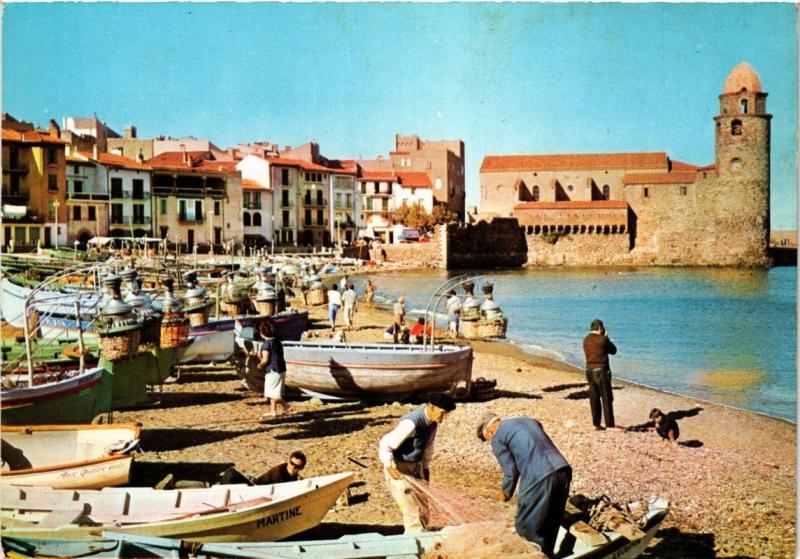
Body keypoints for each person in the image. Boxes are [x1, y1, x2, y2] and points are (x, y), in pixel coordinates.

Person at [475, 412, 572, 558]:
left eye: (487, 438)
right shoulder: (527, 420)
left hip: (539, 477)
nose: (490, 441)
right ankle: (547, 554)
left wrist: (505, 494)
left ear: (488, 431)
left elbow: (510, 471)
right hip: (563, 470)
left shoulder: (497, 437)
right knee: (551, 522)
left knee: (526, 527)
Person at [379, 395, 457, 533]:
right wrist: (388, 465)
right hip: (398, 468)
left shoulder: (433, 423)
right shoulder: (412, 423)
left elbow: (427, 448)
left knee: (422, 506)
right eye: (443, 413)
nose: (444, 418)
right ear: (431, 407)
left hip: (415, 467)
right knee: (412, 510)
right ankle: (414, 545)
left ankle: (422, 536)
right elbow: (385, 443)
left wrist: (426, 471)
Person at [582, 319, 617, 430]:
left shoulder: (586, 339)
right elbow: (614, 350)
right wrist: (606, 337)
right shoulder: (603, 339)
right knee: (607, 398)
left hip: (589, 370)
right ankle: (609, 425)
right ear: (600, 328)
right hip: (602, 370)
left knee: (594, 398)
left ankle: (596, 424)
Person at [256, 320, 289, 419]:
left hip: (273, 370)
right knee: (272, 391)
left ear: (262, 332)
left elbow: (266, 360)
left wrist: (259, 365)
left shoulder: (267, 344)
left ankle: (286, 406)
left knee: (273, 394)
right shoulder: (277, 341)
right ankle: (273, 411)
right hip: (281, 369)